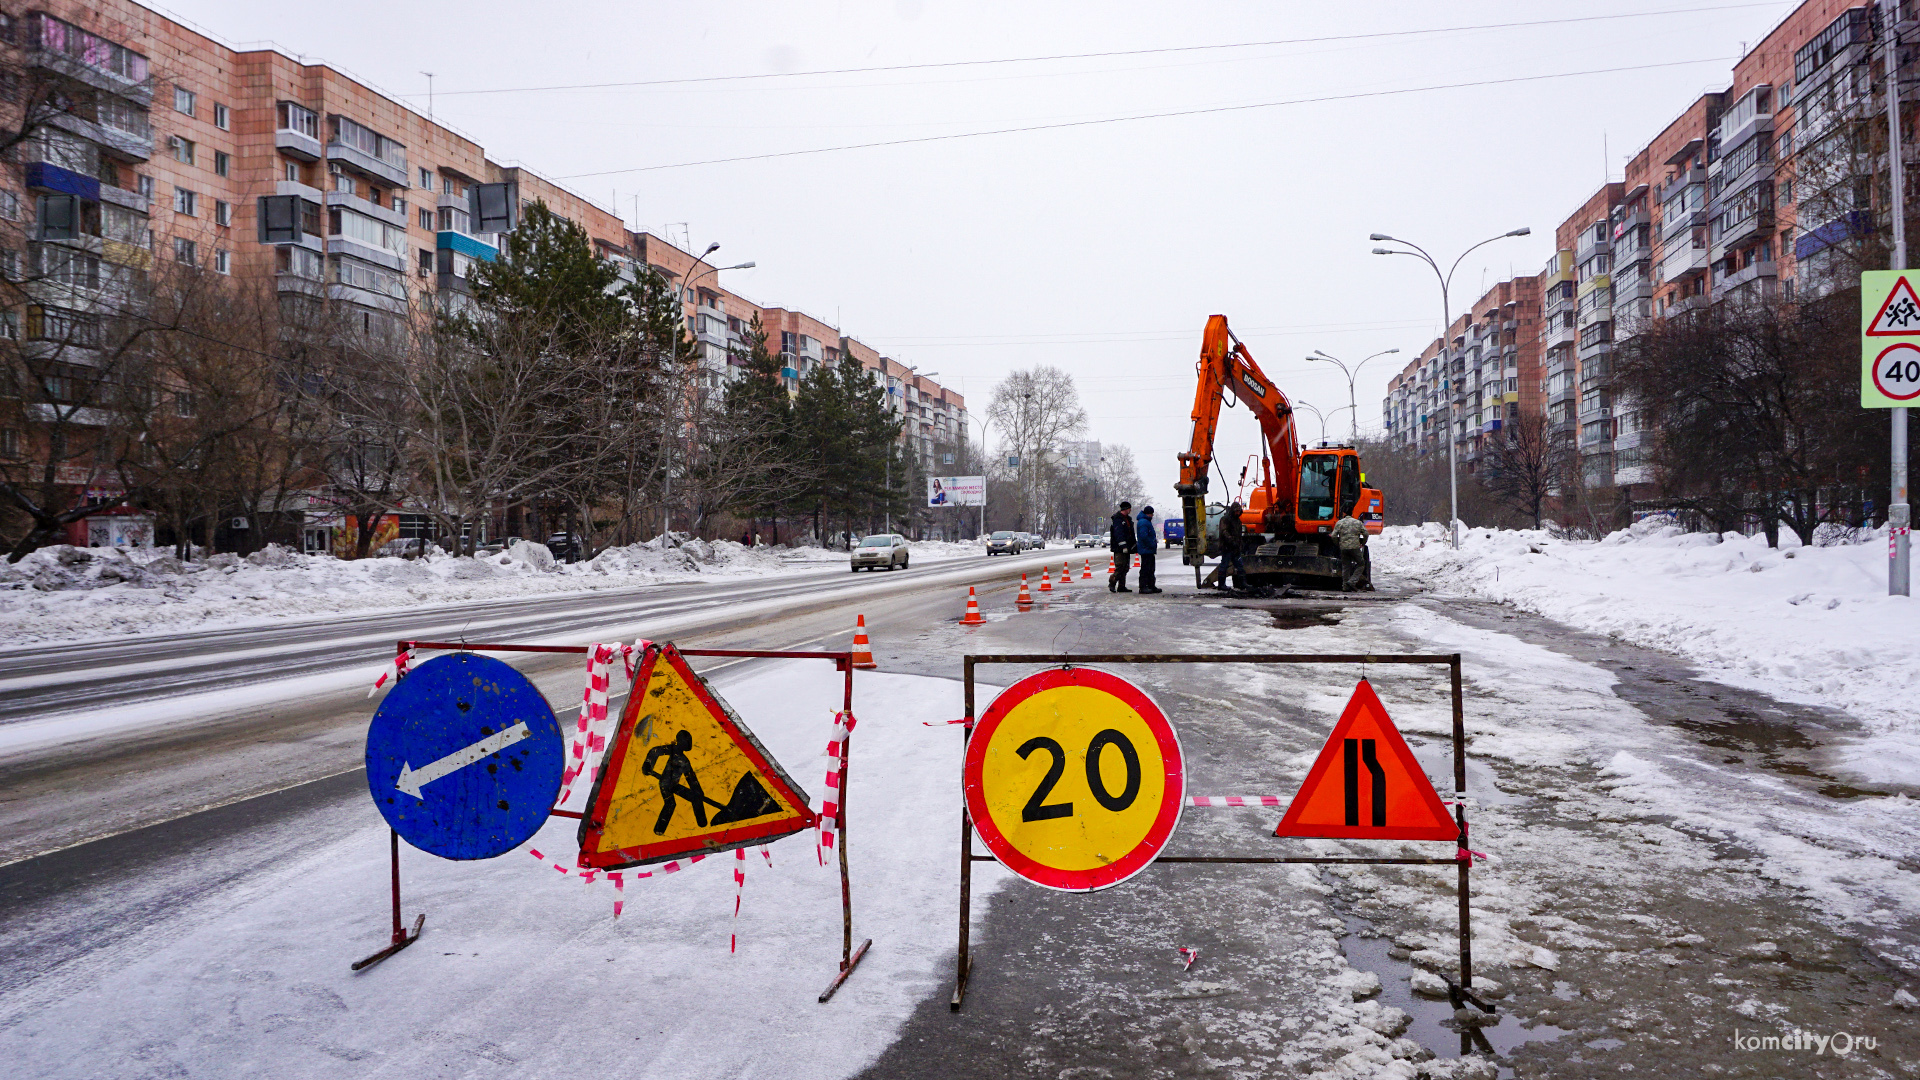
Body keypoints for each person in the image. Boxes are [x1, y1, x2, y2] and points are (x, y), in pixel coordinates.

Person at [1205, 501, 1248, 590]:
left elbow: (1239, 534)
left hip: (1235, 548)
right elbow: (1224, 532)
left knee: (1240, 566)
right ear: (1233, 511)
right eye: (1236, 511)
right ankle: (1221, 585)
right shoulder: (1225, 519)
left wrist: (1239, 544)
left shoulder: (1238, 521)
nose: (1237, 513)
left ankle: (1243, 584)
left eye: (1239, 511)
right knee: (1224, 565)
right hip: (1227, 547)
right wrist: (1232, 541)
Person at [1332, 512, 1369, 592]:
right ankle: (1352, 581)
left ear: (1344, 514)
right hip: (1354, 547)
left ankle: (1345, 586)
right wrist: (1362, 543)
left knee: (1346, 566)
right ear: (1352, 514)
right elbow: (1366, 533)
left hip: (1343, 547)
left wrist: (1338, 544)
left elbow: (1333, 535)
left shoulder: (1340, 523)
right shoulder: (1357, 522)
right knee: (1361, 564)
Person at [1108, 500, 1136, 592]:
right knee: (1120, 567)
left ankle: (1121, 586)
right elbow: (1118, 534)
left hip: (1127, 547)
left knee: (1125, 567)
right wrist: (1123, 546)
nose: (1130, 510)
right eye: (1129, 508)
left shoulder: (1127, 519)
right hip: (1119, 548)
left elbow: (1130, 533)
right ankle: (1112, 582)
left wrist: (1132, 544)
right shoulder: (1118, 519)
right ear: (1126, 509)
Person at [1135, 506, 1161, 593]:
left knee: (1150, 568)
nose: (1152, 515)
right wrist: (1151, 543)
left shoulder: (1145, 521)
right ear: (1149, 513)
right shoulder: (1144, 522)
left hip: (1148, 549)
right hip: (1146, 549)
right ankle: (1143, 587)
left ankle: (1150, 585)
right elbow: (1144, 536)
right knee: (1146, 568)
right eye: (1152, 514)